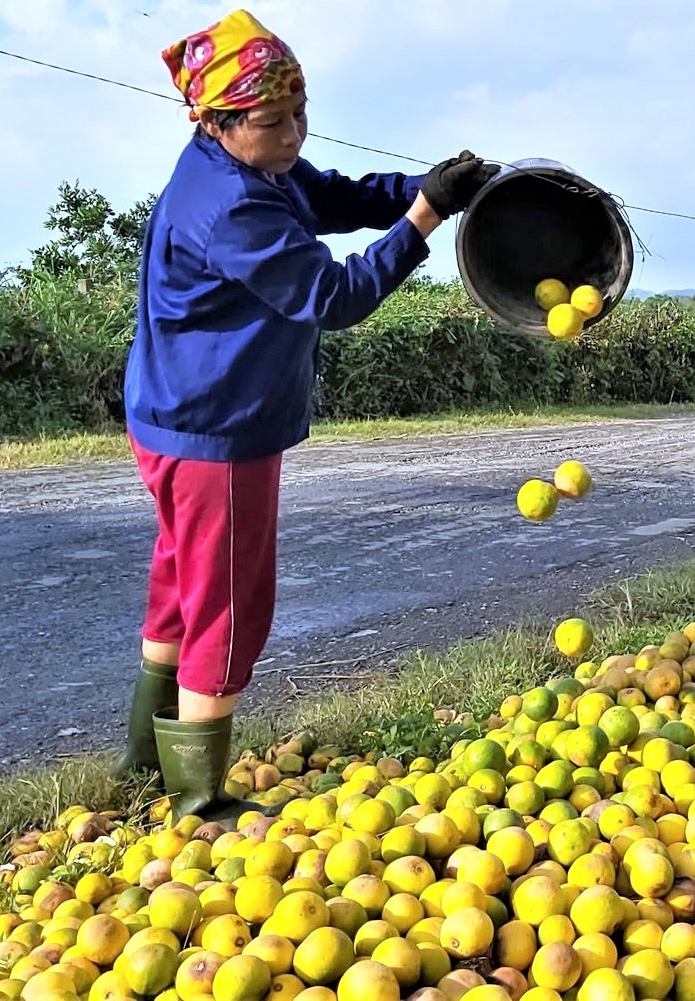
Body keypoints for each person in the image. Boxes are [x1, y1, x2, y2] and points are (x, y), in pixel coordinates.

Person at [115, 7, 500, 822]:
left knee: (181, 583)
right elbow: (337, 295)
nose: (292, 133)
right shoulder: (233, 210)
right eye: (272, 120)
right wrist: (424, 220)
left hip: (173, 416)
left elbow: (334, 194)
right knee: (228, 597)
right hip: (217, 431)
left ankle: (144, 758)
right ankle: (196, 798)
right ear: (217, 121)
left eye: (300, 113)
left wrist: (424, 190)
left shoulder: (248, 169)